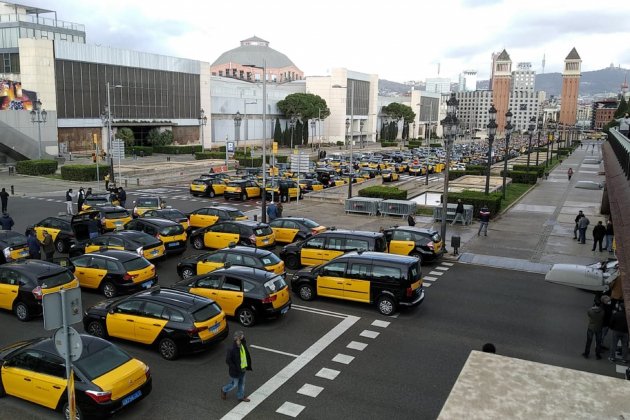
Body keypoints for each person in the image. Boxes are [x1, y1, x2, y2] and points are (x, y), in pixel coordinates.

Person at [221, 330, 252, 402]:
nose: (243, 336)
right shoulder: (232, 349)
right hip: (236, 371)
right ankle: (224, 390)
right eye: (241, 335)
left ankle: (240, 397)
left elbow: (244, 342)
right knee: (234, 384)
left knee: (241, 383)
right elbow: (228, 361)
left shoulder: (242, 344)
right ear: (238, 338)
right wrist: (235, 369)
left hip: (243, 369)